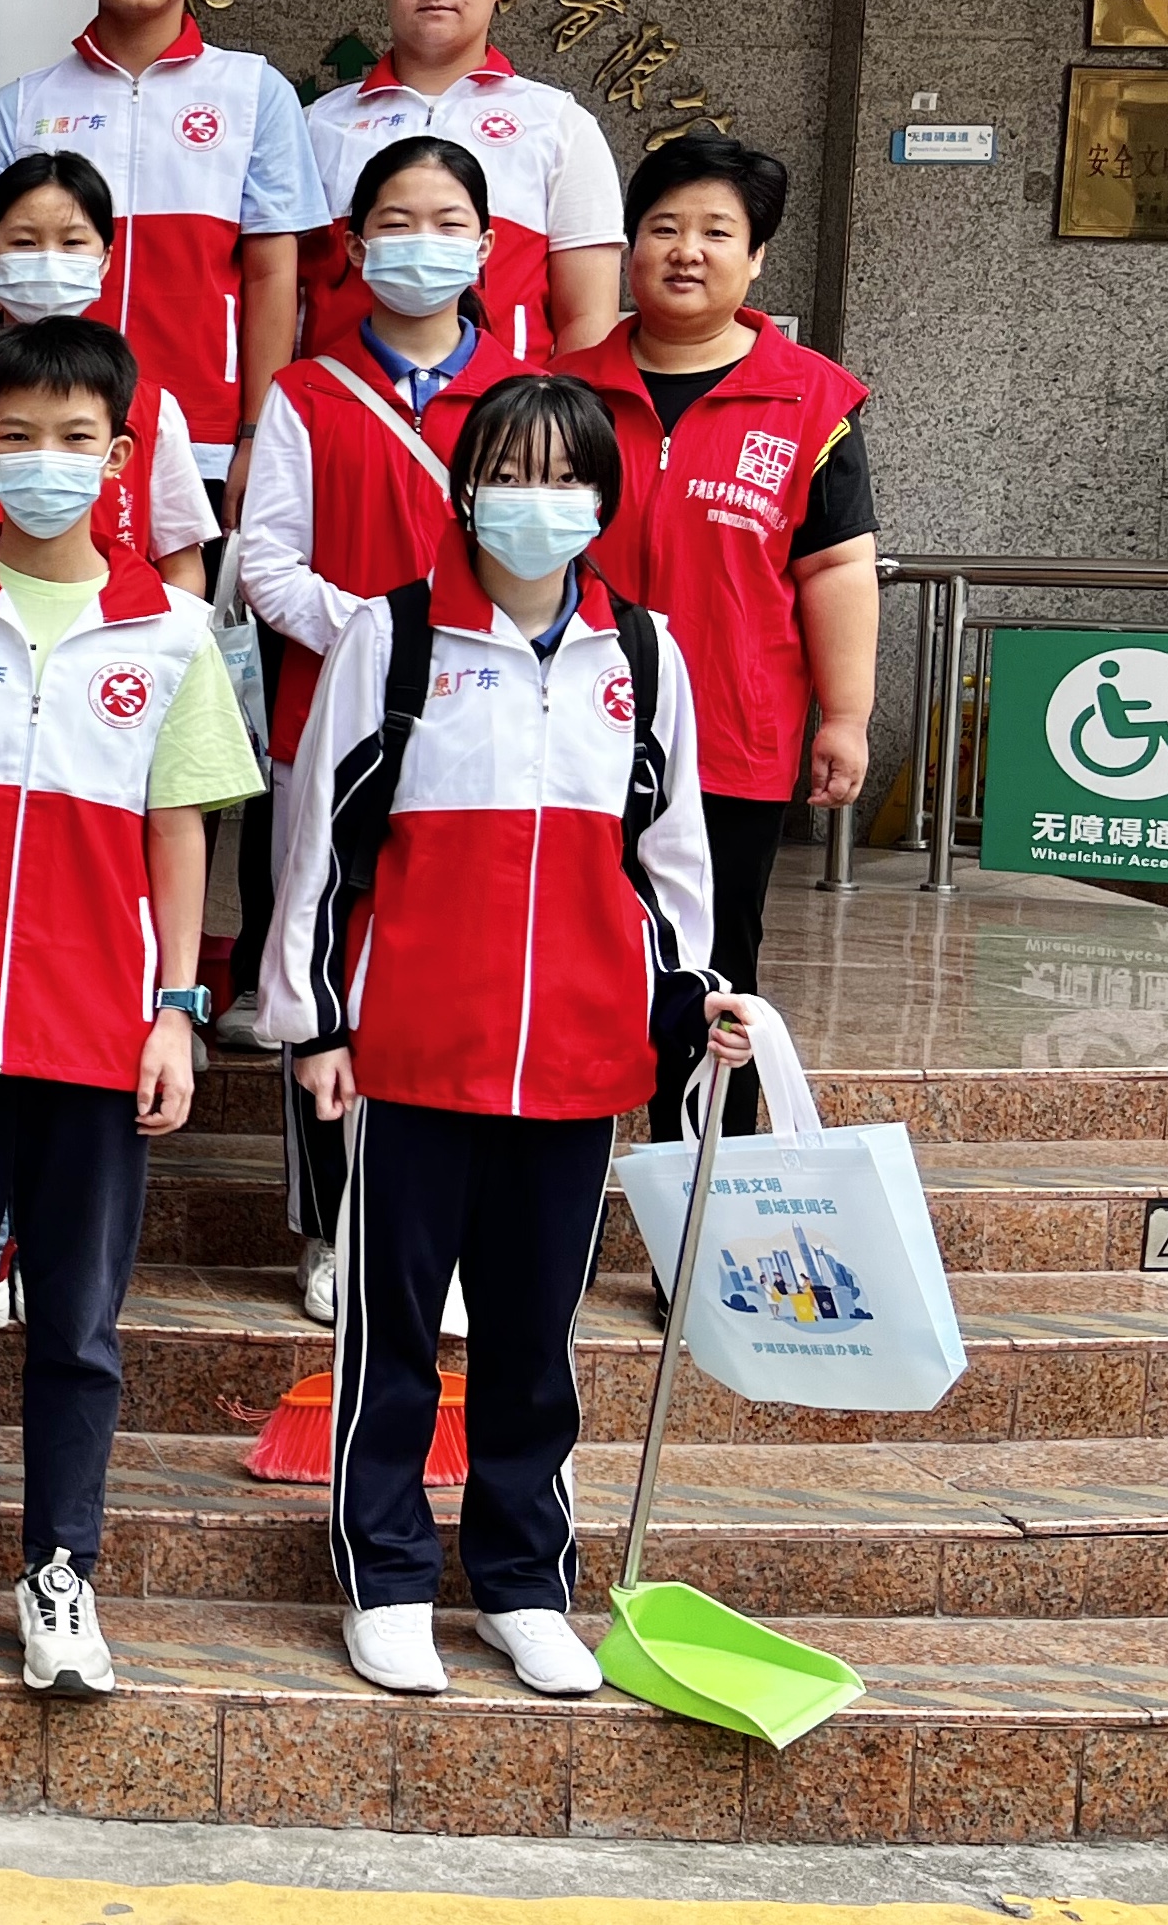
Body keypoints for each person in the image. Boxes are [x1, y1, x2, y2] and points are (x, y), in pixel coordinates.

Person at [260, 372, 751, 1699]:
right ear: (464, 489)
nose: (538, 501)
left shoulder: (640, 653)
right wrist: (315, 1024)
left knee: (535, 1345)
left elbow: (670, 856)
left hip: (578, 1064)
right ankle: (386, 1578)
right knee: (393, 1334)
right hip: (413, 1054)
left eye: (565, 475)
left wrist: (685, 1001)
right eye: (509, 473)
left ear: (603, 497)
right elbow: (320, 847)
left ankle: (524, 1586)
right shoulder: (393, 639)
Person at [0, 318, 253, 1698]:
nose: (43, 461)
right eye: (15, 436)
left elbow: (179, 827)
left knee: (77, 1324)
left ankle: (60, 1570)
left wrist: (176, 1008)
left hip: (98, 1025)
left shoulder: (172, 631)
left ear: (121, 458)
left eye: (75, 438)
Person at [236, 134, 531, 1324]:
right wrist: (375, 637)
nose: (422, 243)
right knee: (322, 972)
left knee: (452, 977)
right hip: (327, 729)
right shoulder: (305, 393)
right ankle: (329, 1225)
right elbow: (265, 561)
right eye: (395, 222)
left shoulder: (522, 393)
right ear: (354, 248)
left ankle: (441, 1235)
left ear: (487, 245)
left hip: (483, 736)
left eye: (447, 221)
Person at [556, 134, 876, 1134]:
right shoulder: (564, 390)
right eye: (663, 228)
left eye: (715, 232)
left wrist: (847, 715)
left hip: (733, 740)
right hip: (569, 728)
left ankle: (702, 1197)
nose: (686, 251)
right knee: (560, 952)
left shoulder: (811, 399)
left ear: (757, 256)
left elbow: (835, 567)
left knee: (712, 975)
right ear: (629, 247)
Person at [0, 0, 325, 518]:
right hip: (50, 443)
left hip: (205, 436)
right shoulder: (16, 109)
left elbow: (272, 275)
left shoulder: (256, 93)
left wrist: (257, 435)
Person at [0, 153, 216, 605]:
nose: (49, 259)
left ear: (105, 259)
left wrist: (132, 636)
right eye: (25, 242)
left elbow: (183, 573)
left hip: (110, 642)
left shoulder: (152, 411)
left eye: (73, 242)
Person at [300, 0, 622, 363]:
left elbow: (587, 319)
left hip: (506, 405)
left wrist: (552, 409)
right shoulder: (317, 125)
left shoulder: (560, 126)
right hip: (340, 400)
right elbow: (280, 290)